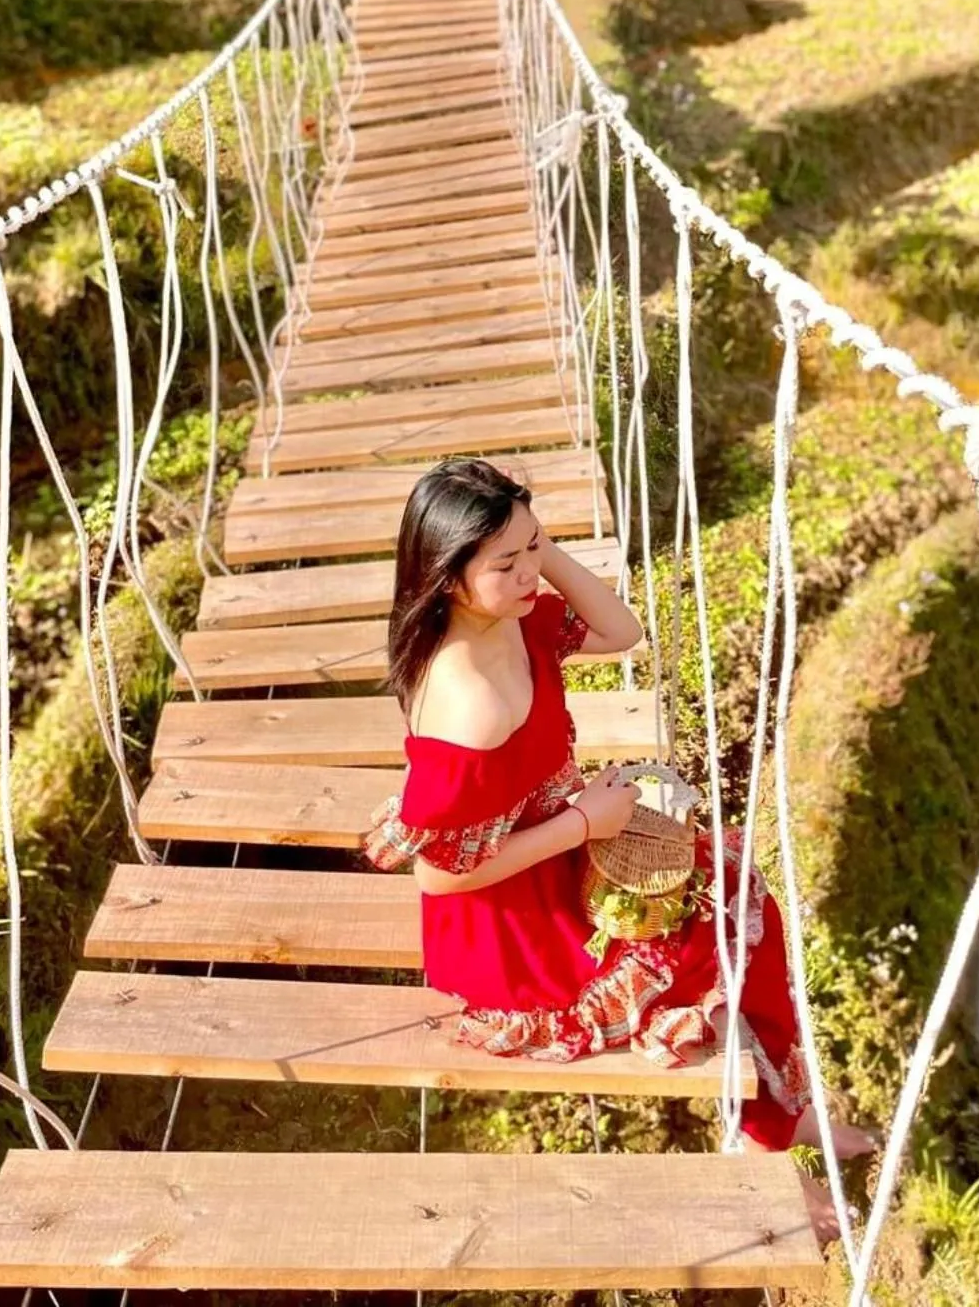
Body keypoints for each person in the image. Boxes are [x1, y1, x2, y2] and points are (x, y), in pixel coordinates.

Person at [364, 456, 872, 1219]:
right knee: (723, 927)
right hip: (513, 924)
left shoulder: (515, 618)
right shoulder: (467, 705)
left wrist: (528, 549)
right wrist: (582, 823)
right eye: (505, 563)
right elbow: (438, 876)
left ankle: (777, 1116)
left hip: (554, 843)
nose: (530, 572)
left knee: (738, 891)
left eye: (535, 547)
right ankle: (767, 1143)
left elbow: (621, 630)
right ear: (447, 578)